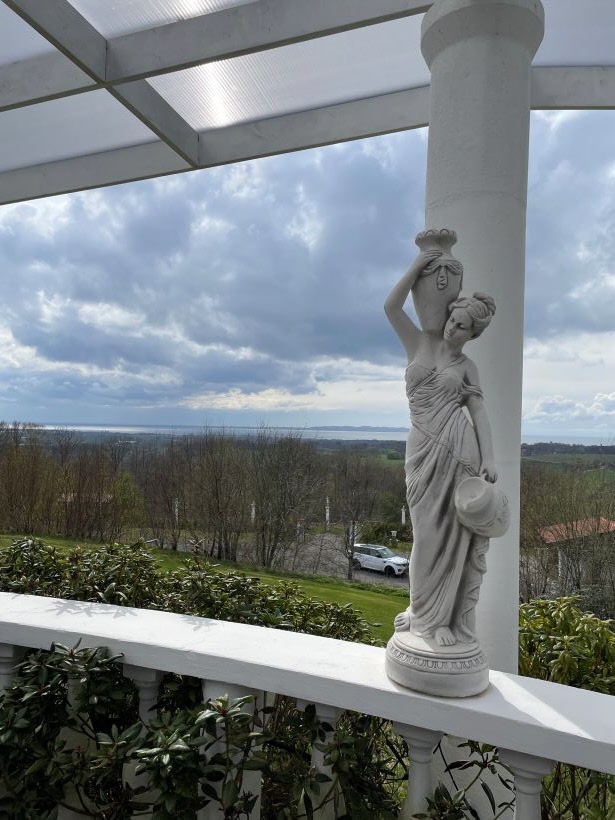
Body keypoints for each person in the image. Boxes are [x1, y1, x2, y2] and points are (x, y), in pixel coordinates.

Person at [384, 250, 497, 647]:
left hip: (459, 453)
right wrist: (417, 266)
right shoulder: (417, 342)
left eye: (462, 326)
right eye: (452, 319)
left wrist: (489, 459)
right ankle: (420, 611)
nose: (453, 328)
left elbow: (479, 415)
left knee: (452, 540)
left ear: (472, 334)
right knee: (425, 536)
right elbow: (391, 307)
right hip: (421, 451)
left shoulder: (467, 368)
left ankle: (442, 621)